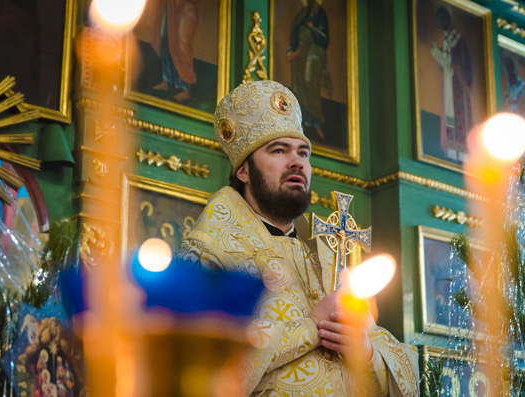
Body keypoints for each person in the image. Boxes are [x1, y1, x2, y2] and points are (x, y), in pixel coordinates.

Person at [176, 80, 419, 396]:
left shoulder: (328, 260)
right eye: (278, 150)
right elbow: (194, 368)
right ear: (243, 171)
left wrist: (366, 351)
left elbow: (403, 372)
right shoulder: (208, 252)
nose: (297, 162)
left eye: (303, 153)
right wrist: (310, 326)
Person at [430, 3, 473, 163]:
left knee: (459, 116)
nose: (442, 22)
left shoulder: (458, 40)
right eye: (440, 19)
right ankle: (450, 152)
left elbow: (465, 63)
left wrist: (454, 65)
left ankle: (462, 155)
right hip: (448, 83)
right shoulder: (445, 40)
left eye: (444, 18)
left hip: (458, 85)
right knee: (448, 114)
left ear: (450, 20)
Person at [287, 0, 332, 140]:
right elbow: (295, 30)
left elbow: (324, 39)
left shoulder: (320, 15)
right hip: (301, 54)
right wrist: (293, 48)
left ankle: (315, 122)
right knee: (299, 85)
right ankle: (301, 121)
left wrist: (313, 29)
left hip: (313, 53)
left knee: (310, 84)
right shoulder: (303, 13)